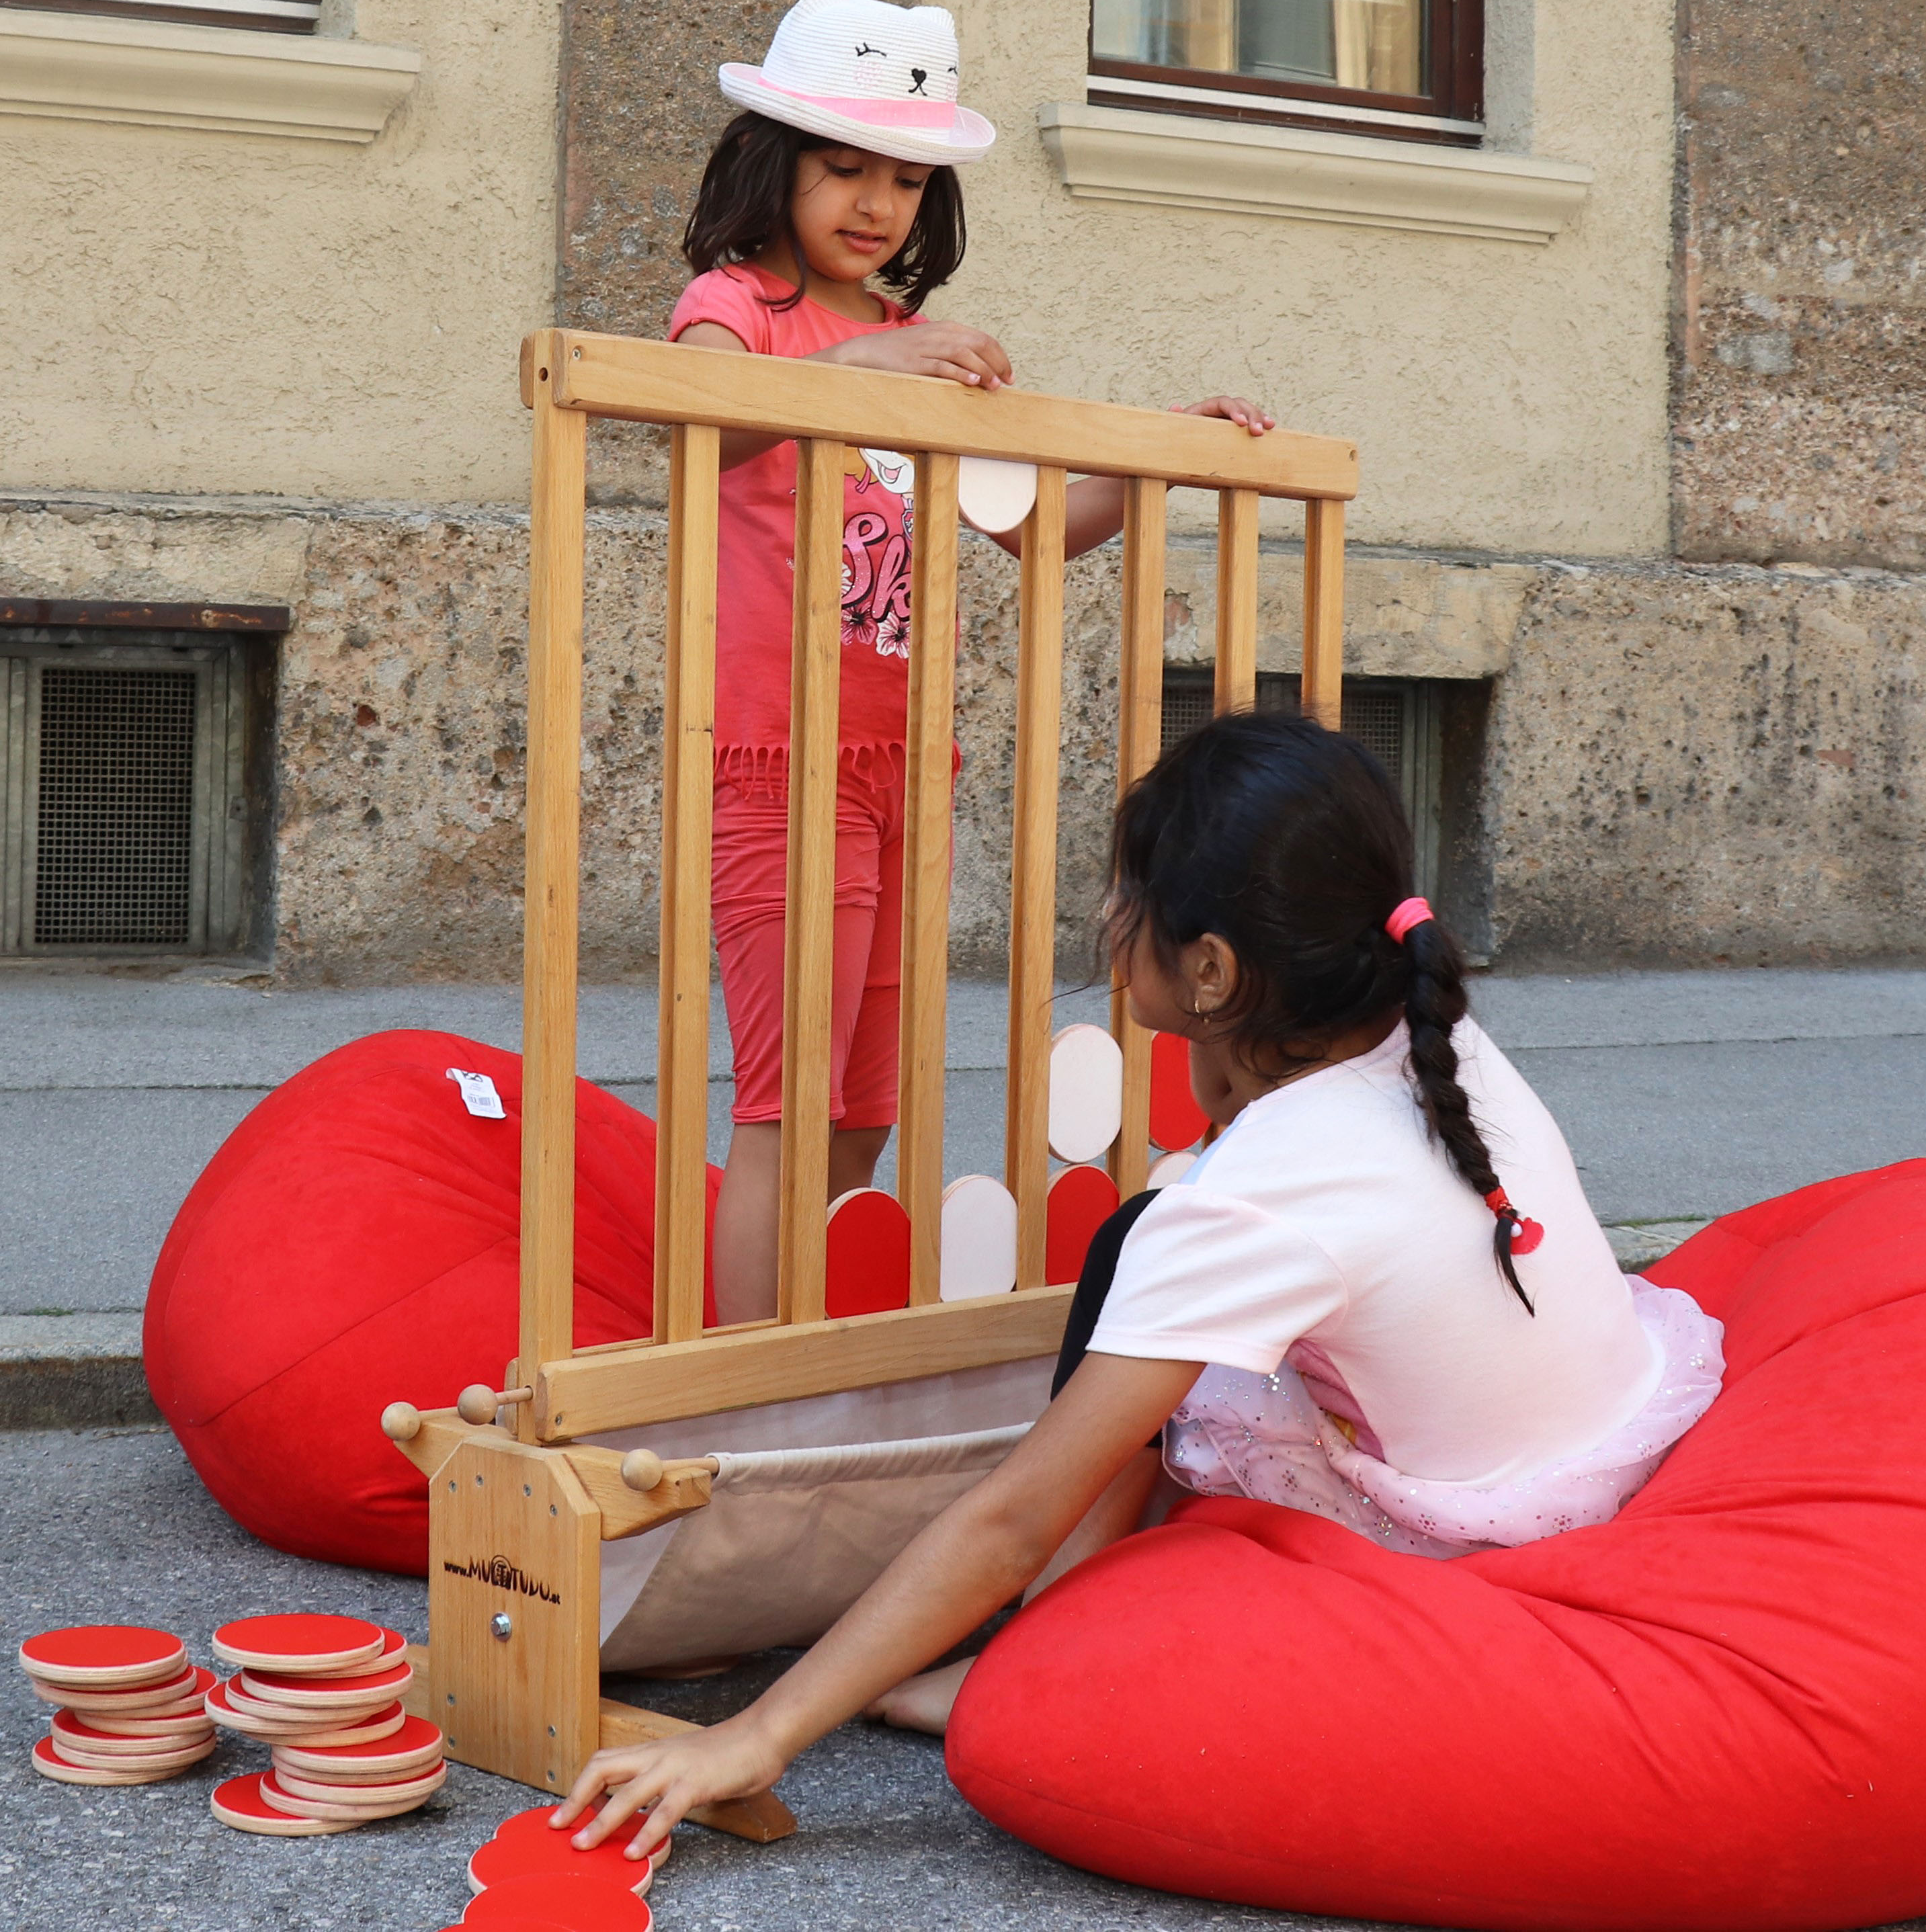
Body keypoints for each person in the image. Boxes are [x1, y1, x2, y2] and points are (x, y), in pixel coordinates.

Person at [556, 712, 1728, 1853]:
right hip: (1599, 1444)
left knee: (1139, 1272)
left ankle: (1033, 1649)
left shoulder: (1261, 1196)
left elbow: (1015, 1511)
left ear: (1211, 968)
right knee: (1148, 1244)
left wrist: (754, 1736)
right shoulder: (1430, 1032)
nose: (1109, 919)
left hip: (1464, 1544)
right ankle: (1049, 1618)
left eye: (1128, 899)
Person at [675, 0, 1271, 1322]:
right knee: (785, 1093)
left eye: (903, 176)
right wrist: (885, 355)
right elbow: (706, 423)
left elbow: (1041, 528)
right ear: (771, 162)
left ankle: (815, 1347)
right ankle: (740, 1383)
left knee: (865, 1105)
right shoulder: (736, 305)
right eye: (842, 167)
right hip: (779, 757)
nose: (875, 202)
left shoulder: (909, 344)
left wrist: (1161, 447)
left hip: (901, 763)